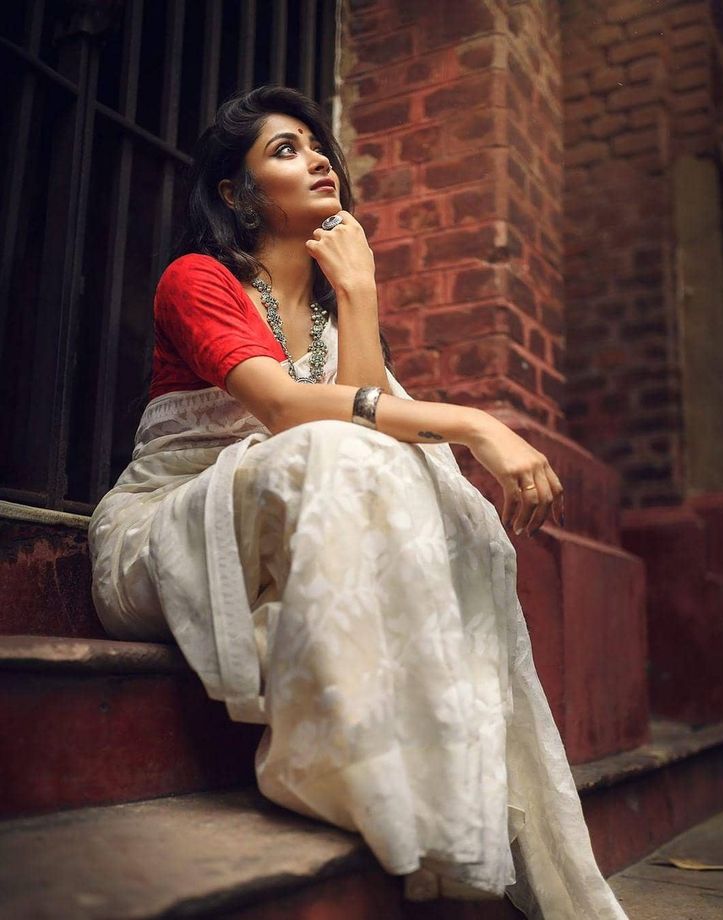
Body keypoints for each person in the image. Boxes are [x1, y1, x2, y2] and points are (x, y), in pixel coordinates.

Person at [88, 85, 628, 918]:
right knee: (358, 452)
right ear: (235, 193)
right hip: (162, 531)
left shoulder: (339, 301)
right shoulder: (196, 280)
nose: (317, 159)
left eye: (317, 145)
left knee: (455, 508)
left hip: (291, 510)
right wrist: (471, 421)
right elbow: (284, 412)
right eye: (285, 150)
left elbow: (369, 440)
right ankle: (328, 770)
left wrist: (362, 292)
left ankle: (439, 793)